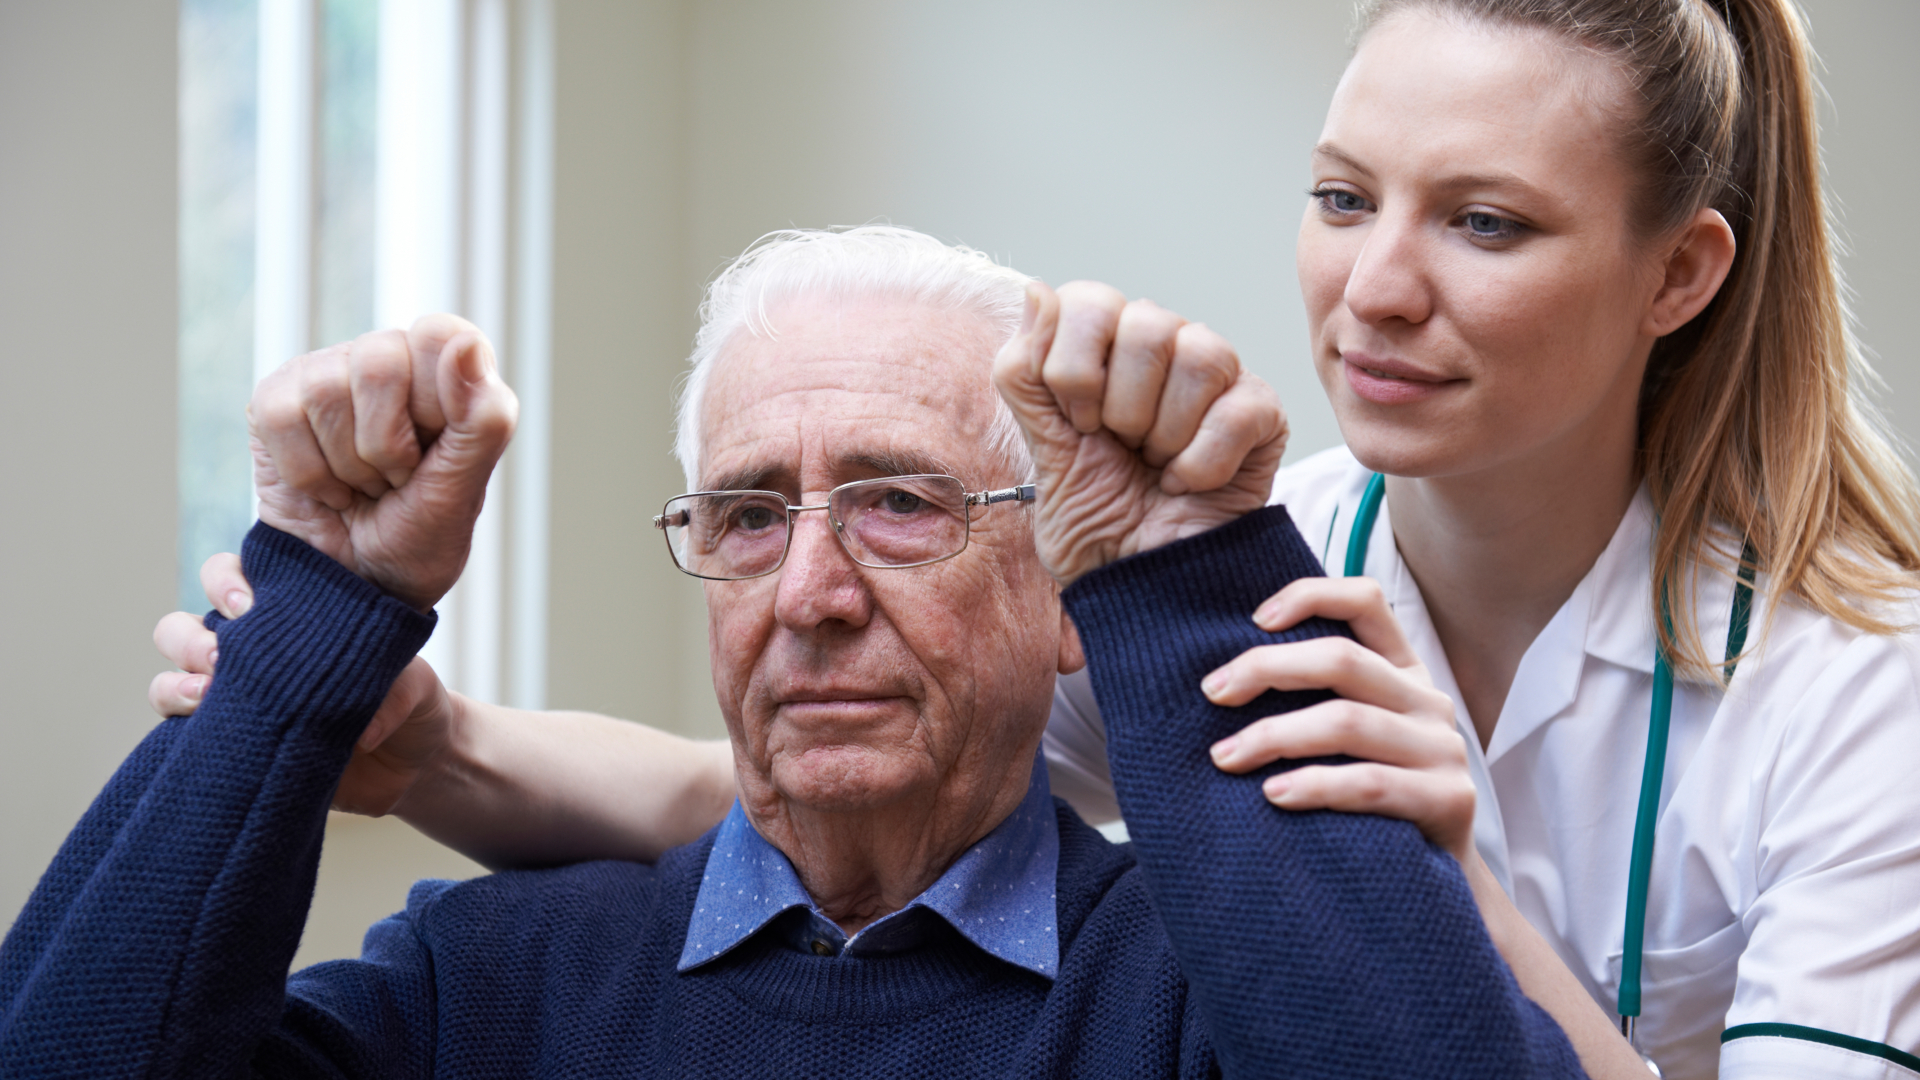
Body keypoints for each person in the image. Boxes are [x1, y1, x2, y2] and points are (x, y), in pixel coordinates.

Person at [153, 0, 1920, 1076]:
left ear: (1682, 272)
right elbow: (805, 768)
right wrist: (419, 743)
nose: (1376, 289)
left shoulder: (1861, 690)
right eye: (1338, 197)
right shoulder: (1260, 552)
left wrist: (1426, 868)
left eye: (1485, 221)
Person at [0, 228, 1586, 1078]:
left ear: (1058, 585)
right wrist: (315, 614)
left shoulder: (1200, 997)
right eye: (748, 516)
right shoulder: (483, 988)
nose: (810, 591)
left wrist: (1183, 585)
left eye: (901, 504)